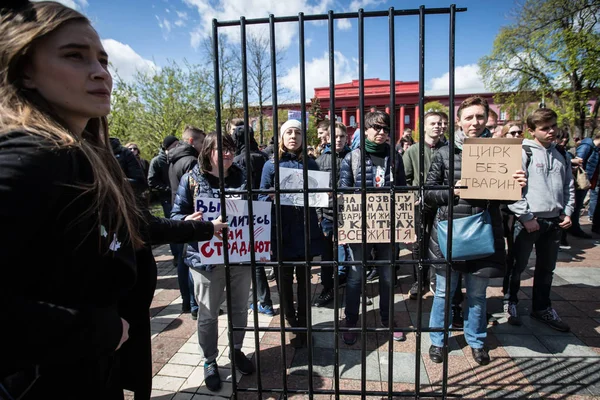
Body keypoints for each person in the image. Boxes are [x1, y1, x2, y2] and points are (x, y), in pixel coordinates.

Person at [0, 2, 228, 399]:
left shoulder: (84, 155)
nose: (100, 72)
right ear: (25, 70)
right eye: (74, 56)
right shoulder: (33, 154)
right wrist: (95, 328)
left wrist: (204, 227)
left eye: (103, 60)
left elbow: (136, 227)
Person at [426, 96, 526, 366]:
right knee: (445, 293)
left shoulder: (502, 152)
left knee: (478, 295)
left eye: (479, 117)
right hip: (450, 233)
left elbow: (508, 198)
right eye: (468, 117)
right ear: (458, 121)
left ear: (487, 120)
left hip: (483, 232)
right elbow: (427, 192)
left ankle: (477, 341)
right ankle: (437, 340)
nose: (474, 122)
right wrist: (450, 192)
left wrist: (518, 185)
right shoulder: (444, 153)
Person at [171, 132, 254, 392]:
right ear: (208, 151)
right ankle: (209, 360)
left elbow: (256, 210)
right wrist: (188, 221)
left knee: (240, 308)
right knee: (208, 314)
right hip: (206, 260)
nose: (228, 153)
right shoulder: (191, 179)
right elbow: (176, 214)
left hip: (240, 256)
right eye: (222, 149)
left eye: (231, 148)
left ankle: (237, 350)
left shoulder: (243, 177)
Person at [338, 111, 408, 345]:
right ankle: (350, 320)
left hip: (387, 227)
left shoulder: (395, 157)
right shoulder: (352, 158)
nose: (381, 133)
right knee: (356, 276)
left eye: (385, 129)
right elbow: (343, 192)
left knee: (387, 276)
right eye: (376, 128)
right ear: (365, 130)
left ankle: (387, 319)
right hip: (359, 227)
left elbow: (401, 191)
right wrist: (343, 226)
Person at [503, 108, 574, 331]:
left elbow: (568, 186)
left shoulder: (561, 154)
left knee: (546, 268)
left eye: (553, 126)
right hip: (529, 221)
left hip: (554, 221)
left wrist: (569, 211)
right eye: (545, 128)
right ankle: (510, 301)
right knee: (518, 265)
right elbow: (512, 188)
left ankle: (542, 307)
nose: (551, 131)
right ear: (532, 131)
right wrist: (525, 216)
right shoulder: (524, 152)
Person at [259, 119, 323, 348]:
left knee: (305, 280)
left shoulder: (311, 163)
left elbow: (320, 194)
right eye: (289, 133)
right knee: (284, 280)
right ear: (282, 137)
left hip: (304, 230)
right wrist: (271, 196)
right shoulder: (271, 165)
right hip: (282, 231)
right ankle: (291, 321)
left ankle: (305, 323)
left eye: (297, 132)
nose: (293, 137)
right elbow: (259, 197)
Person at [230, 124, 275, 316]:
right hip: (266, 208)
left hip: (247, 210)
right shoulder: (263, 156)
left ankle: (264, 301)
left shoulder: (237, 160)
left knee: (254, 258)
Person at [402, 112, 446, 300]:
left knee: (442, 244)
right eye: (433, 123)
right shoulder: (413, 150)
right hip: (420, 204)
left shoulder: (449, 149)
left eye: (442, 123)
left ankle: (438, 281)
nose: (438, 126)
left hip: (444, 204)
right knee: (419, 244)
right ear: (424, 127)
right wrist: (412, 197)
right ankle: (419, 280)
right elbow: (404, 178)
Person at [168, 125, 206, 316]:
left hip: (181, 215)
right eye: (201, 142)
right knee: (190, 263)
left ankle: (187, 302)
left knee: (184, 261)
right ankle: (195, 305)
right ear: (191, 141)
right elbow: (196, 191)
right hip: (192, 217)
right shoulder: (191, 162)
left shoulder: (173, 159)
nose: (204, 146)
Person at [314, 121, 351, 307]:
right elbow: (316, 191)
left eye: (342, 136)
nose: (338, 139)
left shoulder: (354, 157)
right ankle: (327, 288)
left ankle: (352, 288)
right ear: (327, 138)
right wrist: (320, 216)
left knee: (351, 253)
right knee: (327, 255)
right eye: (334, 136)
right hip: (328, 215)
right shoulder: (320, 161)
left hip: (350, 213)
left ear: (347, 137)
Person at [148, 135, 181, 265]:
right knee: (171, 227)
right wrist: (167, 189)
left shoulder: (177, 159)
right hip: (167, 199)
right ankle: (176, 254)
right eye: (174, 145)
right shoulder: (157, 161)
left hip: (178, 197)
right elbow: (151, 180)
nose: (177, 148)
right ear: (166, 147)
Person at [570, 132, 600, 238]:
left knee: (577, 205)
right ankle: (574, 228)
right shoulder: (587, 146)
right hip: (580, 181)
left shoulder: (595, 148)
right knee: (576, 205)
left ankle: (574, 227)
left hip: (586, 181)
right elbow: (577, 162)